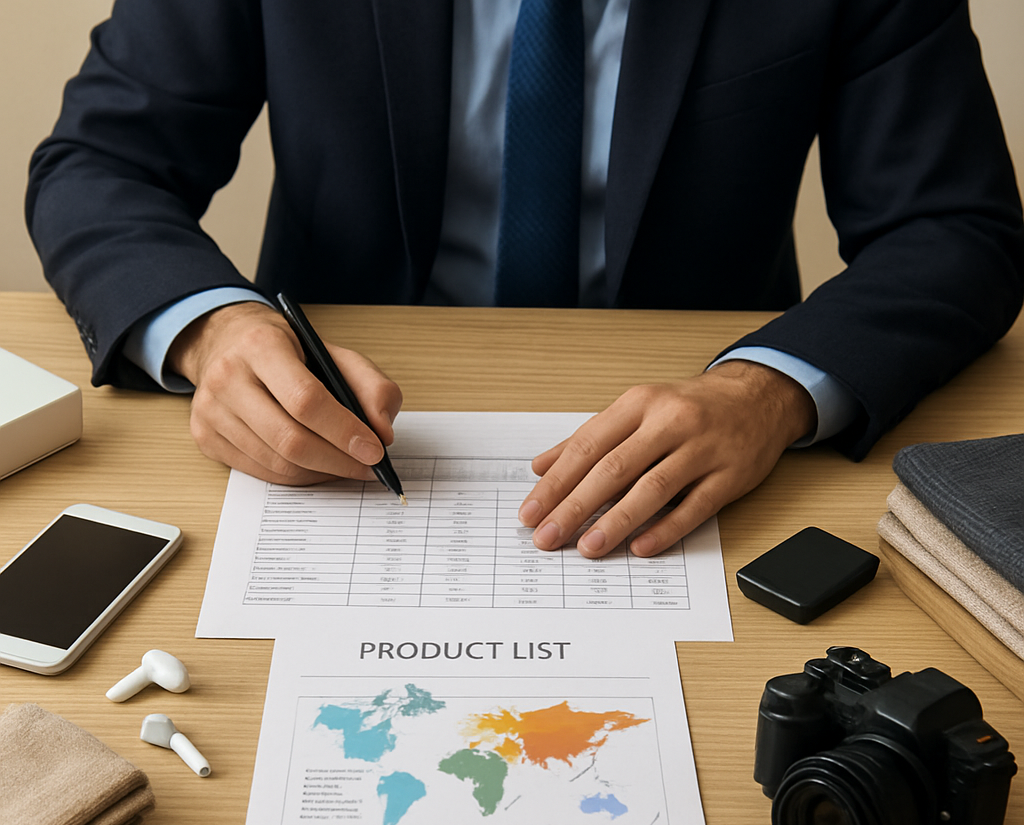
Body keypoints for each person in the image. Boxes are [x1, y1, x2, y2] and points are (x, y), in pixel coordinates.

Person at [26, 0, 1024, 559]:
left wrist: (769, 392)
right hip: (347, 418)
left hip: (707, 423)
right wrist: (213, 332)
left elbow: (955, 227)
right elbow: (102, 161)